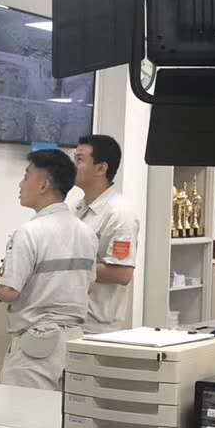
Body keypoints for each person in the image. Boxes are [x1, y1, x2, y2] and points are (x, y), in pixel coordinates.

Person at [0, 149, 98, 390]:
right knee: (65, 411)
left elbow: (10, 291)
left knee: (23, 411)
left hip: (36, 346)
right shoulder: (87, 233)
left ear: (43, 185)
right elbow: (89, 283)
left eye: (26, 176)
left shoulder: (29, 233)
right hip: (75, 343)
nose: (20, 184)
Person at [73, 134, 141, 334]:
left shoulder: (120, 213)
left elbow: (122, 273)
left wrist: (66, 267)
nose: (72, 166)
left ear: (101, 168)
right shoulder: (77, 208)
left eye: (79, 160)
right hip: (70, 319)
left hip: (95, 328)